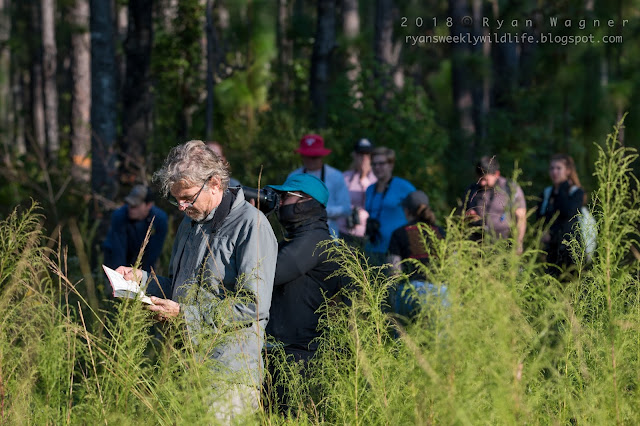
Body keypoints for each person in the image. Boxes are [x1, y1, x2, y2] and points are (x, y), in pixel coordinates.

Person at [115, 140, 278, 419]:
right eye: (175, 198)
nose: (181, 206)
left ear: (215, 183)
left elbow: (253, 305)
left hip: (229, 374)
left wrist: (185, 314)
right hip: (186, 364)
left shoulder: (252, 225)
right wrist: (140, 280)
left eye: (188, 196)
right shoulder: (190, 223)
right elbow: (182, 290)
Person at [264, 174, 342, 408]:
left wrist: (254, 221)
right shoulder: (299, 240)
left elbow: (268, 273)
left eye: (284, 197)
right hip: (283, 352)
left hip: (300, 357)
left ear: (305, 201)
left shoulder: (315, 240)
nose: (278, 202)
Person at [388, 190, 446, 317]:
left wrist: (393, 301)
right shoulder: (442, 233)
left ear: (406, 211)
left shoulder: (399, 233)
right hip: (440, 292)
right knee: (437, 335)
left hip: (411, 291)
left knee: (404, 335)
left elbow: (394, 271)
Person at [288, 133, 351, 237]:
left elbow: (346, 209)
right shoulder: (294, 177)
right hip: (299, 234)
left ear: (321, 156)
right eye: (306, 156)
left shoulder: (335, 176)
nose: (310, 160)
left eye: (314, 157)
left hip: (329, 234)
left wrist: (320, 210)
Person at [463, 155, 526, 254]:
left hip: (504, 246)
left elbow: (521, 217)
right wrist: (468, 217)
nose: (482, 183)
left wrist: (518, 244)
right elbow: (461, 217)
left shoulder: (509, 188)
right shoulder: (472, 190)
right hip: (477, 246)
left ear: (496, 174)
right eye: (480, 179)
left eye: (485, 179)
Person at [364, 146, 416, 262]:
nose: (377, 168)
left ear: (391, 165)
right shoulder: (370, 189)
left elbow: (419, 211)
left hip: (396, 251)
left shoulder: (403, 187)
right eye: (374, 164)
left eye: (381, 164)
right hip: (371, 248)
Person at [537, 154, 585, 272]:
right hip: (551, 249)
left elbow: (568, 212)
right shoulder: (547, 193)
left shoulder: (576, 192)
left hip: (571, 250)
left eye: (558, 168)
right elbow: (540, 217)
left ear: (568, 171)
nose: (554, 172)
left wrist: (562, 188)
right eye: (552, 168)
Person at [103, 184, 168, 271]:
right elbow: (118, 249)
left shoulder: (160, 219)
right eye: (129, 205)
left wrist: (143, 276)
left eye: (135, 206)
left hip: (142, 256)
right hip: (118, 254)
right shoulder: (119, 215)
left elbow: (154, 252)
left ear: (148, 205)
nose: (130, 209)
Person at [338, 138, 377, 246]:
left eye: (367, 155)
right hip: (344, 232)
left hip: (366, 234)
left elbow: (372, 203)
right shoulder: (344, 177)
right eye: (360, 154)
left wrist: (364, 178)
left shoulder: (376, 179)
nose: (364, 158)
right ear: (354, 155)